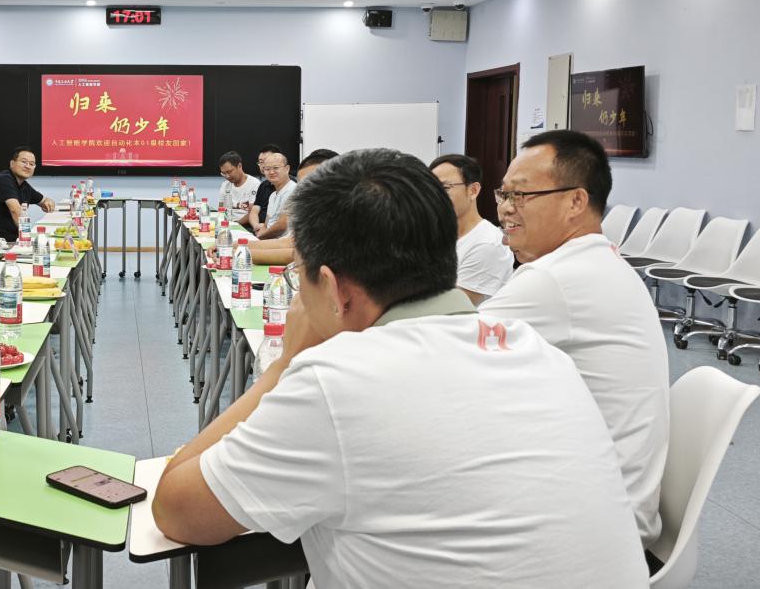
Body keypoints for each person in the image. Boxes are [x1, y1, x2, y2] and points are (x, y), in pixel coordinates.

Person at [152, 149, 649, 588]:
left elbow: (174, 509)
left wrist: (284, 366)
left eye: (300, 275)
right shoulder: (540, 352)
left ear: (334, 287)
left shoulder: (336, 382)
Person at [479, 129, 669, 554]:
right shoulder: (596, 259)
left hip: (595, 528)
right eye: (503, 194)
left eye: (521, 195)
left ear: (576, 202)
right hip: (605, 497)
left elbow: (439, 357)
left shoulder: (556, 279)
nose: (505, 208)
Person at [430, 154, 514, 304]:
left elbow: (452, 307)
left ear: (473, 190)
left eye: (445, 188)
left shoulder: (487, 243)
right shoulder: (434, 235)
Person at [246, 149, 337, 266]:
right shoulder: (311, 208)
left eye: (275, 168)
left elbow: (300, 254)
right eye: (303, 185)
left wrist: (242, 251)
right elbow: (289, 242)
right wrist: (239, 246)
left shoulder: (339, 214)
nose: (305, 190)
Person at [0, 146, 55, 241]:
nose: (27, 166)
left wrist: (48, 203)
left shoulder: (24, 185)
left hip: (11, 239)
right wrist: (27, 238)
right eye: (24, 162)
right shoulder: (3, 179)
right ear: (12, 163)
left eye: (31, 164)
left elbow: (45, 200)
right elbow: (15, 210)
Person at [254, 152, 296, 240]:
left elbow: (282, 226)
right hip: (270, 240)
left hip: (284, 242)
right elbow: (266, 225)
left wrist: (259, 239)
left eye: (276, 168)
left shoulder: (293, 190)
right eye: (267, 169)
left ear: (287, 169)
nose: (271, 172)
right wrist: (257, 238)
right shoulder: (272, 196)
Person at [216, 151, 260, 227]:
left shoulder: (255, 184)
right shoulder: (225, 185)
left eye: (229, 172)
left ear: (239, 166)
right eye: (223, 173)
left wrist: (236, 224)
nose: (227, 176)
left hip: (246, 226)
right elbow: (221, 207)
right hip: (228, 223)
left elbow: (252, 213)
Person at [248, 144, 283, 232]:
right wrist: (256, 226)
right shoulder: (263, 185)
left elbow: (283, 221)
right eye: (261, 162)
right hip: (259, 230)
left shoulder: (290, 185)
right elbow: (254, 211)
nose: (263, 165)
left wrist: (264, 230)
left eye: (267, 161)